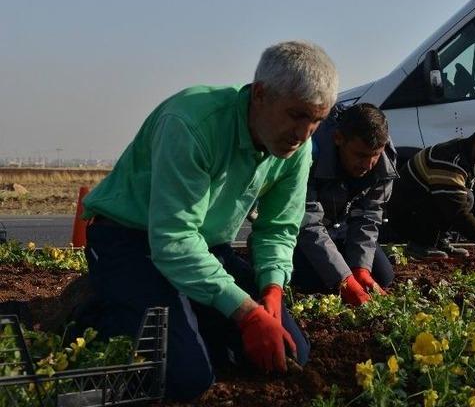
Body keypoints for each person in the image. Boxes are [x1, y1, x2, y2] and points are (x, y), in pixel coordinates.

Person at [80, 41, 337, 401]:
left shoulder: (297, 148)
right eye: (297, 115)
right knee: (186, 377)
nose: (304, 133)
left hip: (202, 247)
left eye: (317, 121)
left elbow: (279, 227)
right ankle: (95, 308)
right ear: (260, 95)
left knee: (292, 352)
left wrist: (271, 290)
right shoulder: (191, 124)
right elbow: (172, 240)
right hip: (130, 239)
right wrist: (246, 314)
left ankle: (182, 314)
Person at [288, 103, 397, 306]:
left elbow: (369, 216)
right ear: (338, 139)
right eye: (360, 155)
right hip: (300, 232)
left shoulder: (383, 161)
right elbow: (307, 222)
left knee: (382, 276)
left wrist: (360, 269)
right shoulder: (310, 154)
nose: (368, 164)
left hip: (341, 229)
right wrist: (344, 280)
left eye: (374, 155)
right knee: (313, 281)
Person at [387, 120, 475, 260]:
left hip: (421, 208)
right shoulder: (450, 159)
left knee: (469, 197)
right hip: (404, 215)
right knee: (465, 198)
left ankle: (437, 241)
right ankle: (420, 244)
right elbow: (458, 213)